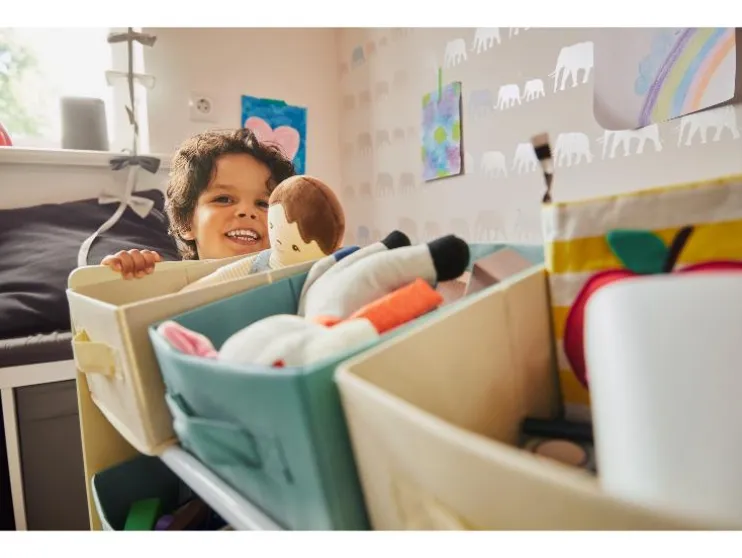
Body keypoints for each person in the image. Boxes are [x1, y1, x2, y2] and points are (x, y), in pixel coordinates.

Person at [101, 128, 296, 279]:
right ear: (186, 222)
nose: (247, 211)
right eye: (224, 199)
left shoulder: (291, 275)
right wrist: (124, 274)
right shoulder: (167, 282)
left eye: (263, 203)